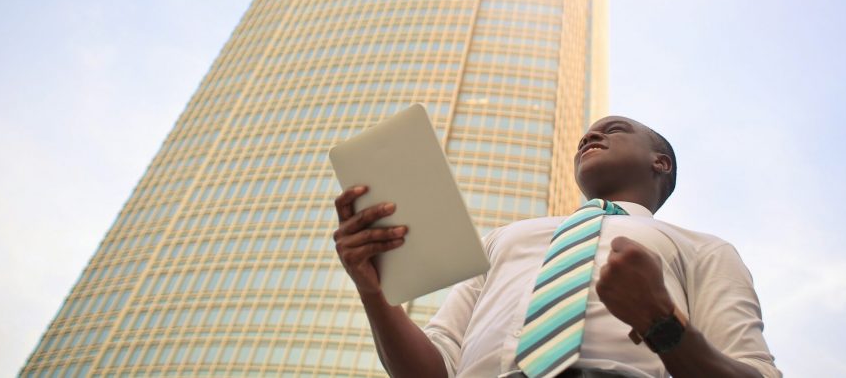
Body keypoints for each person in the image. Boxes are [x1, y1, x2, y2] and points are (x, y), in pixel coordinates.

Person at [332, 116, 780, 377]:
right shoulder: (504, 239)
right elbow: (434, 369)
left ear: (659, 163)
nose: (588, 138)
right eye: (584, 138)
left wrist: (661, 323)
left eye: (613, 130)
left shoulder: (705, 250)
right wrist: (375, 292)